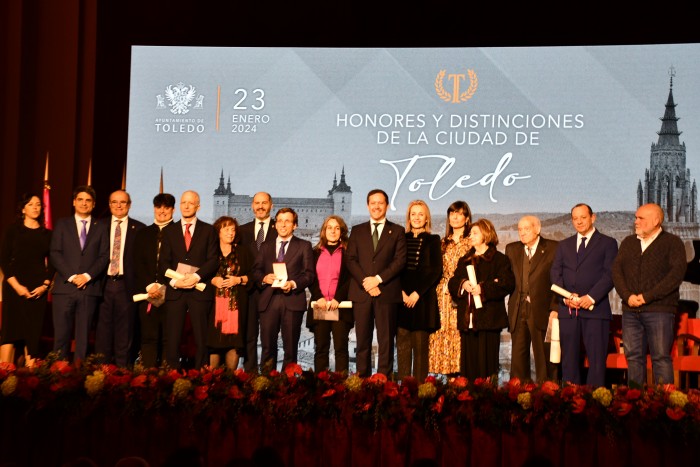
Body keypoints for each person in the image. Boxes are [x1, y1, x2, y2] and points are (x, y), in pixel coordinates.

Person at [612, 203, 687, 386]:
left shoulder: (672, 243)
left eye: (641, 218)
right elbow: (616, 271)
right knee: (634, 358)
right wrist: (627, 295)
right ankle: (635, 402)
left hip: (659, 310)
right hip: (630, 310)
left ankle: (664, 407)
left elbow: (675, 276)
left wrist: (647, 297)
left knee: (660, 357)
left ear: (656, 221)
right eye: (636, 217)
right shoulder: (629, 242)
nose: (636, 221)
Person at [550, 204, 618, 387]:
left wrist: (591, 298)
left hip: (596, 311)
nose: (579, 221)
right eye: (575, 218)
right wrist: (565, 298)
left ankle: (595, 404)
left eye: (583, 217)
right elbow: (555, 274)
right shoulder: (564, 245)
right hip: (568, 311)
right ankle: (571, 402)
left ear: (593, 218)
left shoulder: (608, 243)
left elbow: (610, 274)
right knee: (569, 361)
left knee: (596, 363)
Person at [347, 189, 407, 377]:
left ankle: (384, 383)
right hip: (361, 293)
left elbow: (400, 261)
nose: (376, 206)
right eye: (373, 202)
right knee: (362, 342)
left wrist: (378, 280)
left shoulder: (397, 231)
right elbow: (350, 260)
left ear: (387, 206)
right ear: (367, 205)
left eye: (380, 203)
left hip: (386, 294)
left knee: (386, 342)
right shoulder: (357, 230)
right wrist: (367, 282)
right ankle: (362, 381)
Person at [448, 219, 514, 381]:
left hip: (489, 320)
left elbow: (507, 284)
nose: (470, 236)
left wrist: (483, 289)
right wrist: (463, 284)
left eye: (475, 233)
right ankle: (468, 398)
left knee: (487, 364)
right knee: (469, 366)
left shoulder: (499, 259)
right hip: (468, 320)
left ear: (486, 234)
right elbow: (453, 282)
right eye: (470, 233)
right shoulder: (465, 260)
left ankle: (487, 400)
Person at [159, 190, 218, 369]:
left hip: (199, 292)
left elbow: (213, 260)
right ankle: (172, 378)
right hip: (175, 292)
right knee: (173, 338)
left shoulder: (208, 230)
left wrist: (195, 277)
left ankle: (201, 376)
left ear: (198, 207)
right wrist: (175, 281)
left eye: (190, 203)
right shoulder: (169, 231)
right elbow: (163, 263)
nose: (186, 206)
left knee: (201, 339)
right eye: (183, 202)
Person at [50, 185, 110, 363]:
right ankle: (57, 377)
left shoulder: (101, 227)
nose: (84, 203)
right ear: (74, 202)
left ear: (93, 204)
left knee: (83, 339)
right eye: (80, 200)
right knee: (61, 336)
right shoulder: (62, 224)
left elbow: (104, 255)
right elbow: (55, 253)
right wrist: (72, 276)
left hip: (88, 289)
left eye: (88, 200)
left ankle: (77, 376)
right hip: (64, 288)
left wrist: (87, 276)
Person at [251, 207, 314, 369]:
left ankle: (288, 389)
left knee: (291, 350)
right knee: (267, 349)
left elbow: (309, 275)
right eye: (279, 221)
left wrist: (293, 284)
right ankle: (265, 384)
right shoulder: (265, 246)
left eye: (287, 221)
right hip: (269, 301)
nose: (283, 224)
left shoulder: (304, 246)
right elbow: (255, 271)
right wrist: (264, 277)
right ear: (275, 224)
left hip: (292, 301)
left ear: (295, 225)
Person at [0, 193, 55, 366]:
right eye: (31, 204)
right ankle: (4, 376)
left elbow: (53, 263)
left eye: (38, 204)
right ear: (23, 208)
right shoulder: (13, 230)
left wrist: (45, 285)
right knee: (10, 330)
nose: (36, 207)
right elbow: (3, 259)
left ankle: (30, 383)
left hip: (37, 289)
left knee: (33, 333)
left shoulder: (48, 234)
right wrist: (16, 286)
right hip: (14, 286)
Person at [505, 215, 559, 383]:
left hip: (542, 310)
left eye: (526, 229)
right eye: (519, 229)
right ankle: (519, 395)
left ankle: (546, 395)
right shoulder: (512, 249)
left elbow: (560, 280)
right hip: (518, 309)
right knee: (518, 358)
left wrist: (555, 308)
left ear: (538, 229)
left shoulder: (554, 248)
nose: (522, 233)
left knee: (543, 358)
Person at [94, 190, 145, 367]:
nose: (118, 205)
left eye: (123, 202)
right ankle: (101, 374)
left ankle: (122, 377)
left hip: (127, 286)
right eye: (114, 202)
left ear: (129, 205)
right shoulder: (98, 226)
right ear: (109, 205)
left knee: (125, 334)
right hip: (103, 285)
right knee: (103, 334)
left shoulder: (139, 229)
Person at [397, 200, 442, 381]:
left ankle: (420, 391)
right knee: (402, 347)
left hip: (422, 301)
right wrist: (401, 293)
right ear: (409, 217)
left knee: (421, 350)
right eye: (413, 214)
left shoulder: (433, 240)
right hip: (401, 301)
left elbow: (435, 270)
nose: (416, 217)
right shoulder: (400, 238)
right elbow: (395, 267)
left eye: (420, 214)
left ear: (426, 218)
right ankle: (402, 390)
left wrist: (417, 293)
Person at [428, 200, 472, 377]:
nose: (454, 216)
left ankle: (461, 381)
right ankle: (447, 381)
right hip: (441, 297)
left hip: (462, 295)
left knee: (459, 336)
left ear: (467, 218)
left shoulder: (471, 242)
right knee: (441, 335)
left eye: (459, 213)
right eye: (452, 213)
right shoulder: (442, 243)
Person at [133, 193, 176, 367]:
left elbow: (181, 263)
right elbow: (137, 263)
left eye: (166, 207)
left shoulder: (178, 232)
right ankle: (148, 377)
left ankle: (166, 376)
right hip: (147, 294)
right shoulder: (143, 233)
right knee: (148, 337)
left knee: (168, 338)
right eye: (159, 207)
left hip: (171, 294)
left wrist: (165, 287)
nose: (162, 211)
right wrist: (150, 285)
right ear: (154, 208)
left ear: (173, 209)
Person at [306, 215, 353, 373]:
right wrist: (318, 296)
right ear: (324, 231)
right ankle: (321, 387)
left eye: (337, 228)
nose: (333, 231)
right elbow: (310, 277)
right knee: (321, 349)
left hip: (340, 306)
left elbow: (351, 278)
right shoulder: (314, 253)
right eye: (329, 227)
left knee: (341, 349)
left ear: (342, 231)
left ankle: (341, 388)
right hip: (320, 305)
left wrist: (337, 298)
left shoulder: (348, 253)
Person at [239, 192, 277, 372]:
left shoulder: (279, 229)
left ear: (271, 205)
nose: (260, 206)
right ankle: (249, 374)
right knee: (249, 336)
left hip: (271, 291)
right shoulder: (242, 231)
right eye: (257, 203)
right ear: (252, 206)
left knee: (269, 338)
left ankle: (268, 376)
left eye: (264, 203)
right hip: (248, 291)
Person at [207, 216, 253, 370]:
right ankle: (210, 383)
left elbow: (254, 276)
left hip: (237, 306)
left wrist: (238, 280)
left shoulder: (243, 252)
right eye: (226, 229)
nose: (230, 232)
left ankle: (230, 384)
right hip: (213, 307)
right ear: (218, 231)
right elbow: (199, 275)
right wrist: (213, 281)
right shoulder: (210, 251)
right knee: (214, 344)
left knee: (234, 344)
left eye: (233, 229)